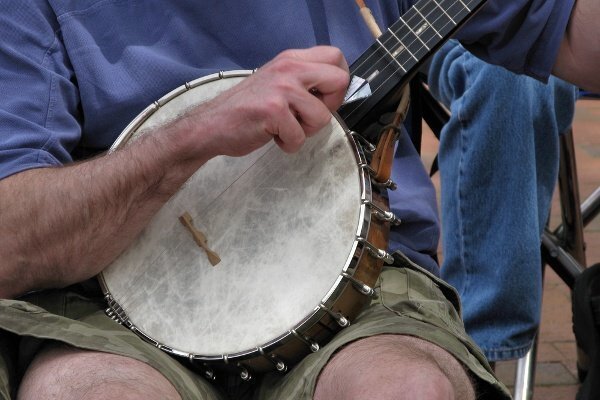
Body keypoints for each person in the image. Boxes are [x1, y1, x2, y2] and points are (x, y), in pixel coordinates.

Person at [0, 0, 596, 399]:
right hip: (107, 292)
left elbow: (578, 40)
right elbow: (12, 239)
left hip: (360, 272)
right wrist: (189, 138)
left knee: (404, 389)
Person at [427, 39, 578, 362]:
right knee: (506, 70)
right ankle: (476, 349)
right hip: (440, 22)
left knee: (527, 58)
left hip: (567, 24)